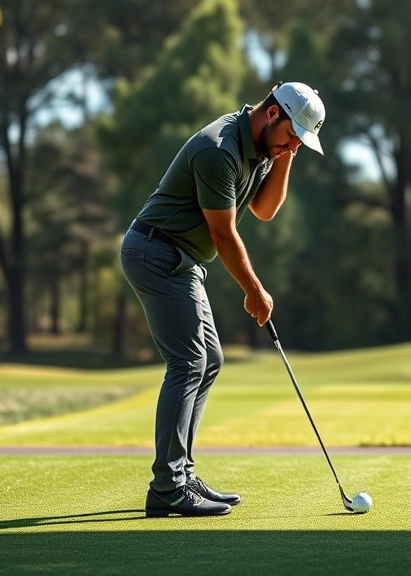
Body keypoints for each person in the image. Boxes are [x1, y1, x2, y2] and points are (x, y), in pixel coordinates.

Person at [119, 81, 326, 517]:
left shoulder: (266, 150)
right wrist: (254, 289)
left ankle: (181, 476)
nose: (292, 145)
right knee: (189, 362)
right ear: (272, 114)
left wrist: (287, 155)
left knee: (209, 360)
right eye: (291, 135)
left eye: (300, 142)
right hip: (154, 251)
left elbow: (265, 210)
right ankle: (169, 487)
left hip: (183, 259)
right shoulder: (220, 150)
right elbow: (222, 233)